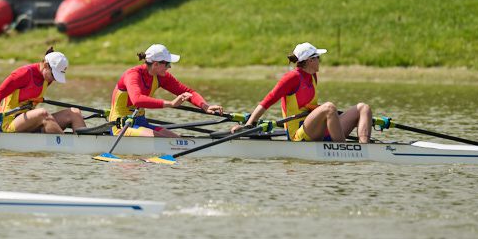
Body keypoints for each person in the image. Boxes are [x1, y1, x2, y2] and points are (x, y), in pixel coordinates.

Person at [233, 42, 372, 143]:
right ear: (310, 60)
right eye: (318, 58)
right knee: (329, 107)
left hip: (317, 129)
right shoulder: (292, 78)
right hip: (299, 134)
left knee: (363, 108)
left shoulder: (312, 76)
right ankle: (343, 149)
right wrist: (249, 125)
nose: (320, 61)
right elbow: (267, 101)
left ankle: (364, 149)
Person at [107, 44, 224, 137]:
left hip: (141, 122)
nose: (170, 67)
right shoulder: (132, 75)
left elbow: (189, 92)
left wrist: (205, 106)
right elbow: (137, 100)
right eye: (167, 63)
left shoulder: (161, 76)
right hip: (120, 125)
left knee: (175, 140)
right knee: (159, 138)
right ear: (156, 64)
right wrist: (171, 104)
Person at [0, 49, 85, 138]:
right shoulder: (23, 74)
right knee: (42, 113)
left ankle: (85, 146)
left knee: (74, 112)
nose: (55, 80)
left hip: (31, 121)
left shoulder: (48, 78)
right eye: (54, 75)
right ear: (46, 65)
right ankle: (68, 147)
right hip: (11, 122)